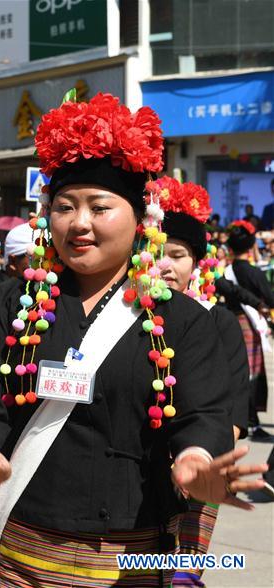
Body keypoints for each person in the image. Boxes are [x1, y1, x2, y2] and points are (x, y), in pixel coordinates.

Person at [0, 93, 268, 588]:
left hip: (132, 548)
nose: (79, 223)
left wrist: (197, 458)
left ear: (140, 219)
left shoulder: (181, 319)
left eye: (100, 207)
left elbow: (205, 411)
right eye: (65, 207)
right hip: (22, 539)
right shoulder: (13, 304)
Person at [148, 176, 252, 586]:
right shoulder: (132, 318)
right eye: (157, 253)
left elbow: (233, 407)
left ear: (197, 263)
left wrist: (200, 458)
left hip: (200, 466)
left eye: (178, 255)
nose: (167, 265)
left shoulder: (217, 320)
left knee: (180, 574)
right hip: (140, 467)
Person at [224, 220, 274, 440]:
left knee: (239, 371)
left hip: (232, 320)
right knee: (253, 373)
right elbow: (270, 298)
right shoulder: (254, 272)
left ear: (231, 248)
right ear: (252, 244)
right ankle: (251, 422)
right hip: (250, 323)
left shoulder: (225, 271)